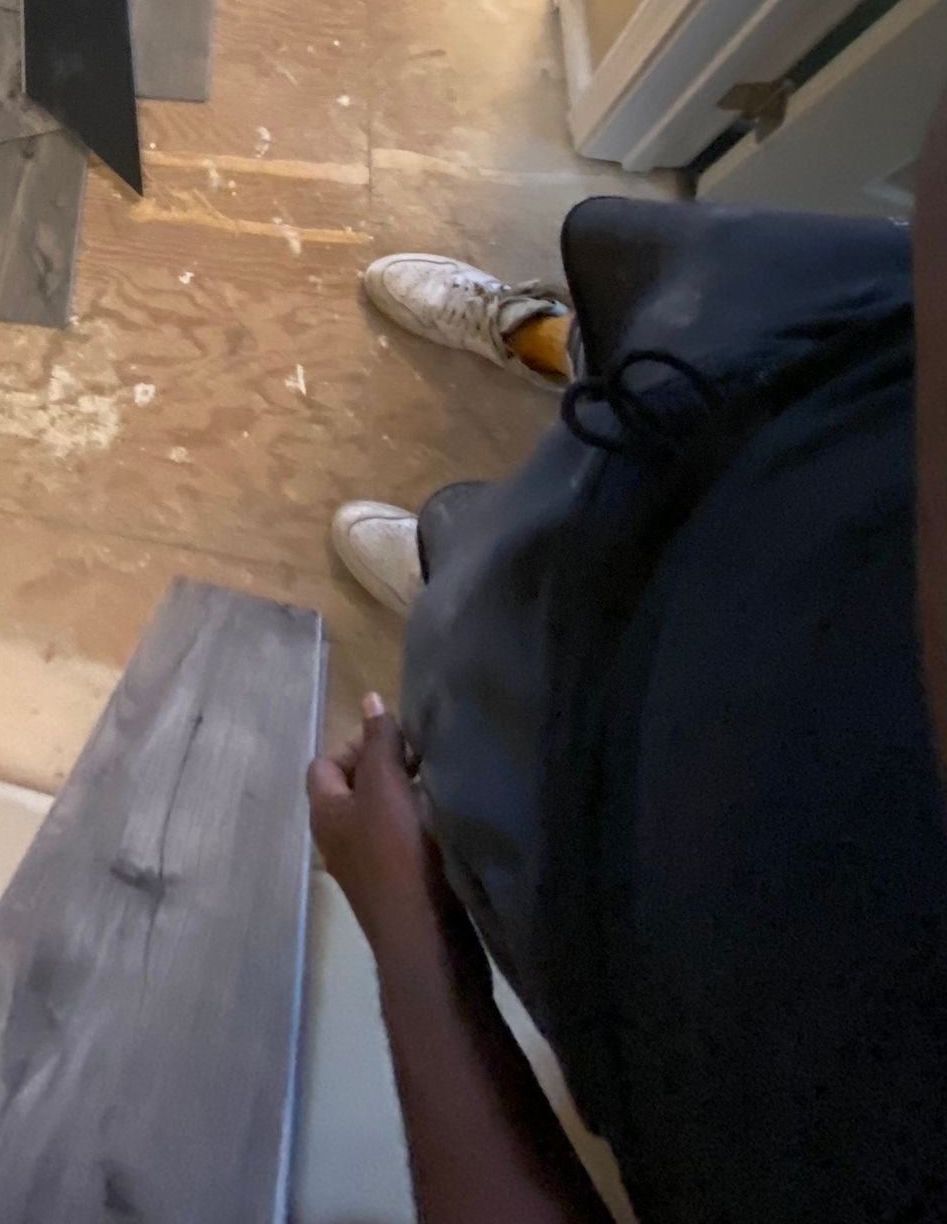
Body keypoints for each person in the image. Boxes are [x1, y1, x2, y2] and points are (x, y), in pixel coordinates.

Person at [308, 162, 947, 1224]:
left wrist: (411, 929)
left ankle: (459, 575)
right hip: (828, 391)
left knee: (490, 628)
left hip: (667, 847)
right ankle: (549, 344)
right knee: (656, 356)